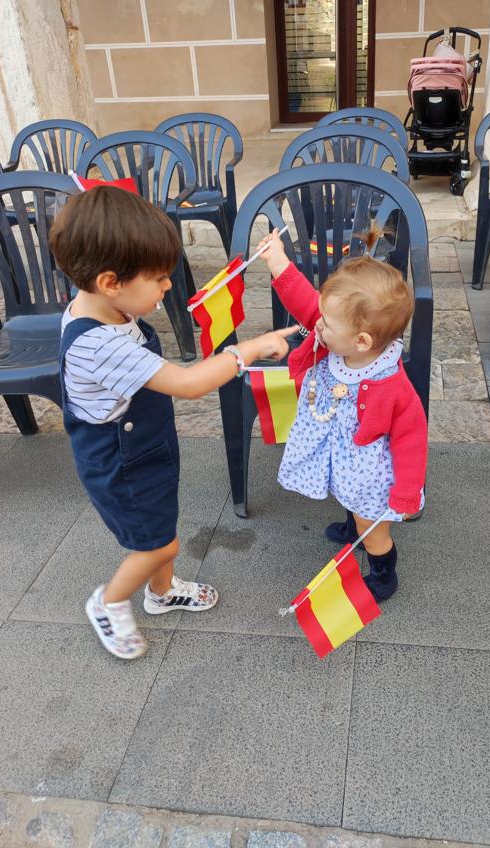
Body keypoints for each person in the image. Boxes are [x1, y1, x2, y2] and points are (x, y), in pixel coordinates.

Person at [49, 186, 296, 659]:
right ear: (109, 282)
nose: (168, 287)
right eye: (159, 278)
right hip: (121, 463)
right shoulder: (99, 344)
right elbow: (187, 384)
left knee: (160, 528)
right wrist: (248, 349)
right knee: (156, 543)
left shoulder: (100, 306)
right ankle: (110, 601)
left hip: (144, 447)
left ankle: (161, 593)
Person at [257, 228, 427, 602]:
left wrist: (406, 493)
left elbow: (411, 439)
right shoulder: (339, 335)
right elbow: (306, 302)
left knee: (375, 530)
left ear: (362, 342)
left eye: (326, 324)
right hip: (345, 458)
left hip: (370, 472)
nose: (316, 324)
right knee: (348, 496)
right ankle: (354, 525)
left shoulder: (391, 385)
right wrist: (277, 261)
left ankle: (383, 574)